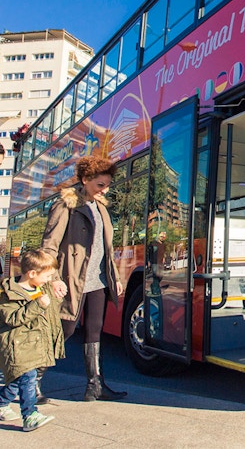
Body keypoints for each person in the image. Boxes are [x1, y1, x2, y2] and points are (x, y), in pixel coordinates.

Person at [41, 155, 127, 402]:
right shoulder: (66, 205)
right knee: (63, 330)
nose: (105, 189)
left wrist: (115, 277)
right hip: (71, 280)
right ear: (85, 179)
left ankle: (95, 386)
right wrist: (54, 278)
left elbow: (105, 248)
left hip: (98, 281)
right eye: (101, 184)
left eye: (108, 184)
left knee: (94, 331)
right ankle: (31, 381)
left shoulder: (101, 208)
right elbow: (49, 245)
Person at [0, 249, 64, 432]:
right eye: (47, 276)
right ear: (32, 273)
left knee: (15, 380)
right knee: (28, 378)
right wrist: (37, 305)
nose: (49, 279)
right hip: (17, 346)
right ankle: (30, 415)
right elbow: (13, 318)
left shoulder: (39, 289)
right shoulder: (8, 293)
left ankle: (1, 402)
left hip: (33, 346)